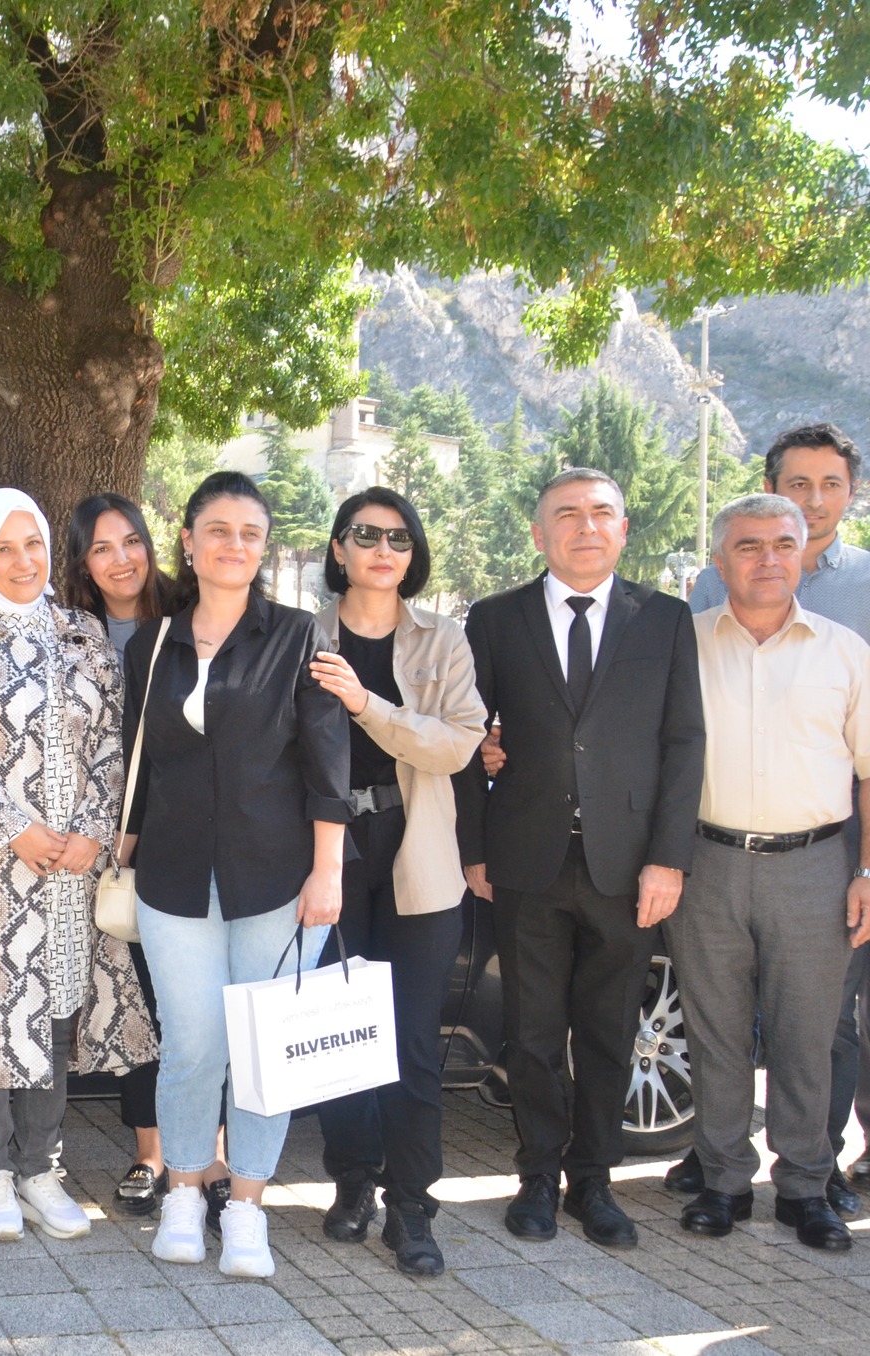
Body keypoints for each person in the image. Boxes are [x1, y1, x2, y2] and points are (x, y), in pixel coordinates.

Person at [453, 467, 704, 1250]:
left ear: (623, 530)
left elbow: (683, 741)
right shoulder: (495, 618)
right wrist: (473, 848)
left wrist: (669, 859)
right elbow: (466, 735)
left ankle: (593, 1183)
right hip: (525, 861)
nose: (585, 526)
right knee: (530, 1033)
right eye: (567, 514)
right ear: (539, 533)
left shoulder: (664, 619)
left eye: (602, 514)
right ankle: (535, 1176)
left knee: (606, 1032)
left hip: (628, 869)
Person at [119, 471, 348, 1279]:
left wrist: (328, 874)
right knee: (191, 1048)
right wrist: (125, 842)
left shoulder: (299, 636)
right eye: (218, 529)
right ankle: (185, 1191)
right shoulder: (152, 643)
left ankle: (246, 1209)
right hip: (173, 882)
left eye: (250, 532)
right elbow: (138, 768)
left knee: (265, 1051)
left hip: (277, 883)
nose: (234, 545)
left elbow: (328, 765)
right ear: (187, 540)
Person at [0, 487, 156, 1246]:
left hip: (70, 869)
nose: (22, 562)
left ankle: (40, 1168)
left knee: (53, 1007)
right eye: (3, 548)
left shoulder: (82, 633)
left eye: (32, 546)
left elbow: (113, 743)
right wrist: (15, 827)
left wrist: (89, 832)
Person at [681, 423, 869, 1217]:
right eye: (748, 545)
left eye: (781, 545)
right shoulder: (681, 645)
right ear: (720, 563)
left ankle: (803, 1186)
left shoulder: (846, 651)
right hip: (708, 862)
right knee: (717, 1033)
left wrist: (865, 871)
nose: (767, 558)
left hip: (817, 867)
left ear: (803, 555)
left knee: (807, 1036)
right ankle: (723, 1181)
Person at [306, 488, 485, 1276]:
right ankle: (351, 1184)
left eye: (400, 537)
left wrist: (366, 703)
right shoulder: (299, 632)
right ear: (339, 548)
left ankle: (413, 1206)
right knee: (341, 1036)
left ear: (414, 555)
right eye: (366, 534)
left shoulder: (443, 639)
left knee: (411, 1042)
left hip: (416, 852)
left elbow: (457, 745)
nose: (384, 548)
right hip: (326, 851)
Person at [61, 492, 186, 1219]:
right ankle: (151, 1154)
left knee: (198, 1005)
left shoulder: (192, 617)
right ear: (82, 562)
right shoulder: (69, 634)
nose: (121, 560)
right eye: (101, 548)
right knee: (133, 999)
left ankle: (216, 1153)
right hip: (104, 851)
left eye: (131, 541)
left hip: (190, 839)